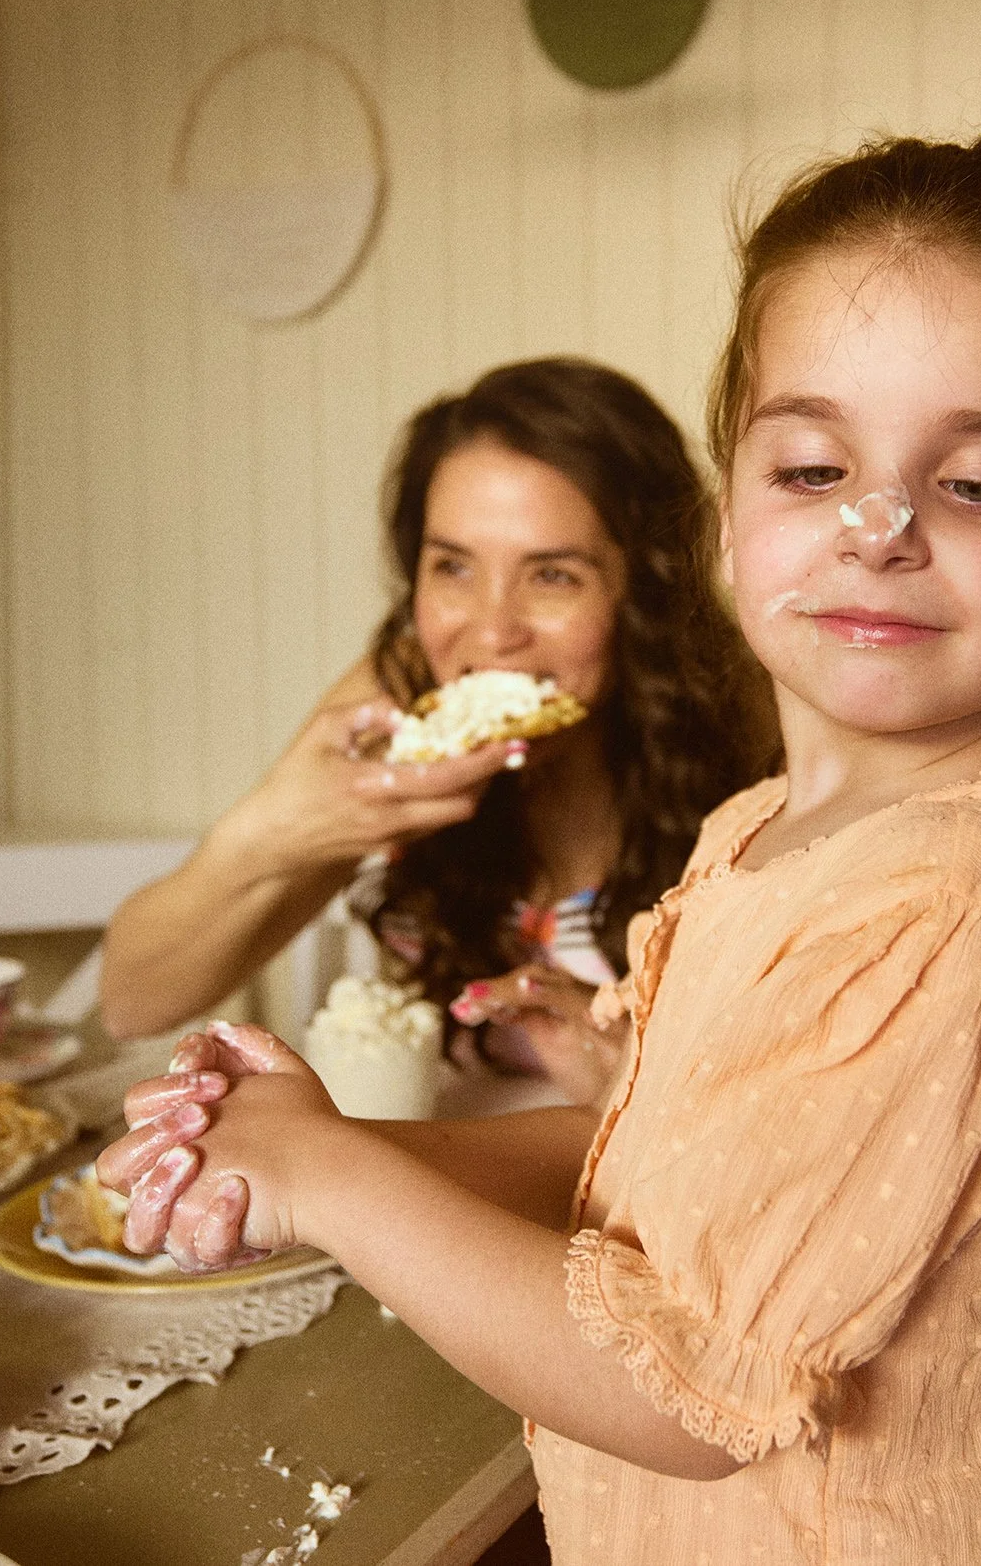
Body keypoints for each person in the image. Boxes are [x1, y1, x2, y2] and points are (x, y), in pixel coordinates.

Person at [97, 132, 981, 1565]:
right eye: (816, 463)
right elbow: (658, 1169)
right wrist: (336, 1154)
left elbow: (692, 1387)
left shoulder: (956, 910)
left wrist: (336, 1181)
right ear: (728, 519)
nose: (879, 528)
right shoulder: (767, 827)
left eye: (978, 485)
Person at [98, 357, 761, 1105]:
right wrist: (277, 828)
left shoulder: (750, 726)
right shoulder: (402, 698)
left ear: (646, 589)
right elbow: (132, 1000)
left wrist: (624, 1088)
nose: (491, 632)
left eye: (553, 575)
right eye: (452, 567)